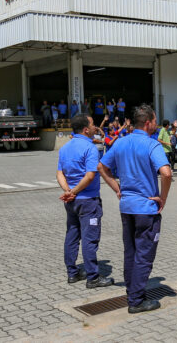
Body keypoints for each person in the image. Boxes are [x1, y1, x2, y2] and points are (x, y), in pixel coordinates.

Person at [97, 105, 172, 314]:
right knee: (144, 255)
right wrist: (163, 198)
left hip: (127, 207)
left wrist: (117, 189)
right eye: (155, 120)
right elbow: (166, 173)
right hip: (146, 209)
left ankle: (133, 292)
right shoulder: (152, 145)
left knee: (131, 252)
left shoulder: (120, 142)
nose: (156, 123)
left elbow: (101, 167)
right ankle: (137, 301)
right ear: (148, 122)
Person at [56, 114, 115, 288]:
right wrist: (72, 191)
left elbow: (60, 173)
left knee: (72, 235)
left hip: (72, 202)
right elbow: (90, 176)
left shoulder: (65, 148)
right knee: (90, 239)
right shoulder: (90, 148)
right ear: (85, 129)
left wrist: (67, 191)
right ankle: (93, 277)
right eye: (92, 124)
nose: (95, 127)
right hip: (88, 200)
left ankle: (72, 273)